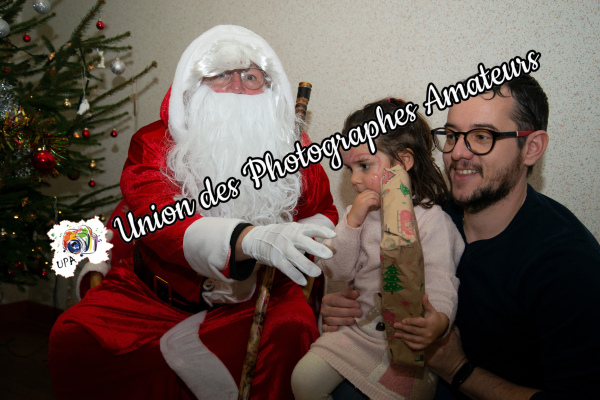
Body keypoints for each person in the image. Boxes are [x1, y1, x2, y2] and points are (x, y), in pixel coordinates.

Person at [48, 25, 339, 400]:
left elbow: (323, 212)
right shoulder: (154, 144)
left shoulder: (295, 151)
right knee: (75, 334)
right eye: (222, 75)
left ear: (271, 90)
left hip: (255, 300)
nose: (237, 87)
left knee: (293, 328)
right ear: (194, 84)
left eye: (251, 78)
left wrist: (301, 242)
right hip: (155, 296)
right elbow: (162, 222)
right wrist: (248, 239)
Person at [320, 74, 600, 400]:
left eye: (482, 136)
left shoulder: (568, 263)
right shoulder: (430, 214)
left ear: (531, 148)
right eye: (452, 136)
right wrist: (354, 306)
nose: (458, 153)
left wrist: (458, 370)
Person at [291, 98, 464, 400]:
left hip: (407, 339)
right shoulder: (357, 216)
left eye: (364, 166)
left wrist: (439, 321)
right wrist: (352, 224)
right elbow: (336, 270)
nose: (354, 180)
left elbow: (441, 278)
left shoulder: (432, 220)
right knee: (302, 381)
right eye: (350, 169)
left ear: (403, 162)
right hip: (357, 332)